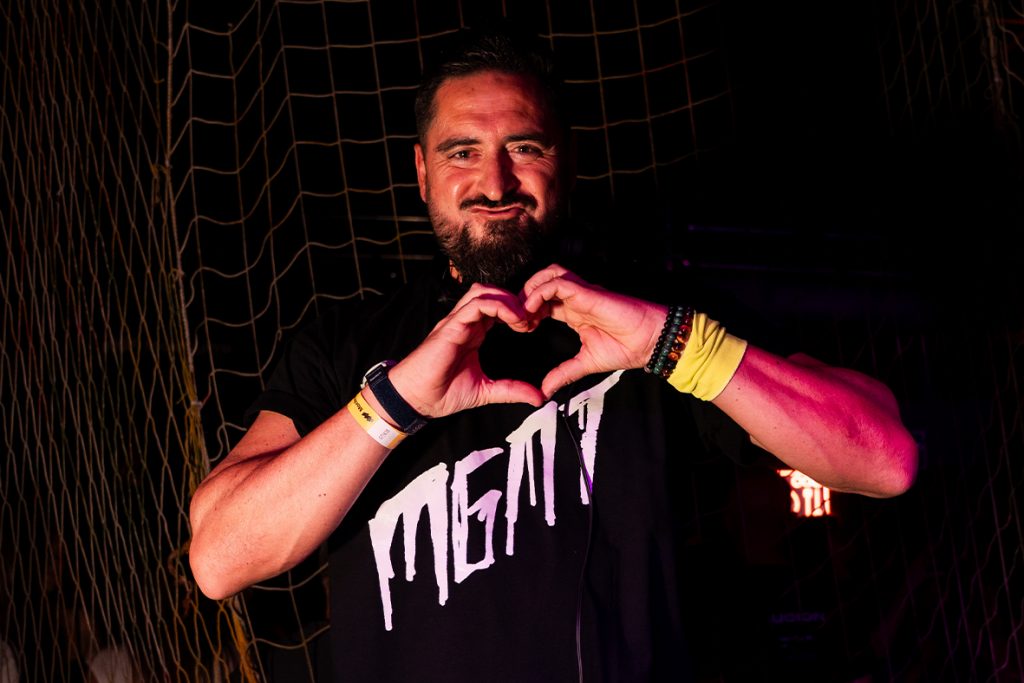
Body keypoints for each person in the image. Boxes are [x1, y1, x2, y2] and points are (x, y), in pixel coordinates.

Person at [188, 22, 918, 682]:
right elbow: (219, 557)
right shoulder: (348, 342)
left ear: (564, 163)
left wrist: (674, 347)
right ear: (421, 172)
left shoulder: (649, 318)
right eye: (462, 153)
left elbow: (884, 459)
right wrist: (393, 405)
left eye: (524, 148)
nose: (495, 184)